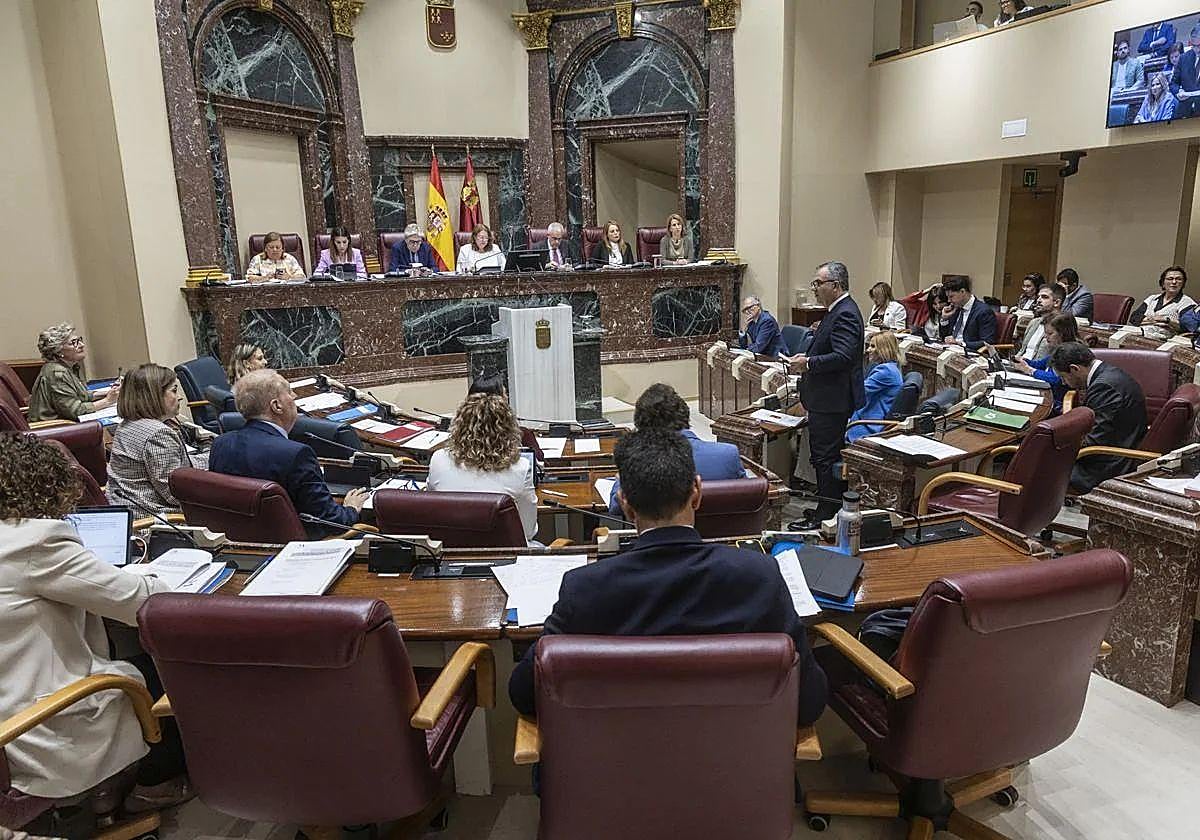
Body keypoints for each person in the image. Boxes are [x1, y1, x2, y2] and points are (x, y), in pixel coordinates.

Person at [508, 429, 828, 725]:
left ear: (624, 504)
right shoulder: (759, 576)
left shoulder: (584, 589)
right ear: (697, 493)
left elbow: (524, 694)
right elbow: (809, 701)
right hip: (739, 764)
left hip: (615, 765)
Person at [0, 435, 190, 810]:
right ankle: (153, 783)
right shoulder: (34, 541)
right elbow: (144, 603)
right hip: (36, 727)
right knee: (160, 668)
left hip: (9, 703)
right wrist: (145, 577)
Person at [208, 369, 369, 537]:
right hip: (295, 546)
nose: (294, 396)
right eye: (289, 392)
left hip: (239, 543)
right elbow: (331, 522)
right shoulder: (296, 454)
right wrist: (351, 508)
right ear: (277, 406)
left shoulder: (220, 444)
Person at [786, 261, 864, 527]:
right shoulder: (837, 310)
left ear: (836, 285)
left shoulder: (846, 313)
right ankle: (827, 508)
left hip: (832, 401)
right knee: (823, 456)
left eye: (818, 283)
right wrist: (807, 356)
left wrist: (807, 363)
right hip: (826, 398)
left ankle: (826, 516)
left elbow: (843, 356)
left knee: (825, 458)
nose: (815, 288)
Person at [606, 383, 745, 517]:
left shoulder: (639, 461)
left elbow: (616, 506)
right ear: (686, 416)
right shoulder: (728, 454)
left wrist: (621, 477)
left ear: (642, 426)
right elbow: (748, 497)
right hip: (727, 533)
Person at [427, 391, 539, 544]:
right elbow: (528, 531)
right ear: (508, 429)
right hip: (506, 555)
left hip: (451, 553)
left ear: (458, 426)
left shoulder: (438, 460)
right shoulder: (521, 468)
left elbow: (434, 514)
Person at [107, 364, 207, 515]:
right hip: (156, 518)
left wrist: (213, 457)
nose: (179, 397)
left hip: (127, 508)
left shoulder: (127, 424)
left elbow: (179, 466)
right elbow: (175, 494)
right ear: (153, 395)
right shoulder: (158, 434)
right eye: (174, 390)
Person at [1051, 342, 1147, 494]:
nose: (1063, 383)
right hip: (1116, 445)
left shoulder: (1105, 387)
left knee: (1039, 466)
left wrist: (1054, 446)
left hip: (1108, 463)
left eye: (1063, 377)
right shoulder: (1108, 373)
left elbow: (1094, 440)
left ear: (1074, 369)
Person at [27, 323, 119, 422]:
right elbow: (75, 411)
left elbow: (81, 395)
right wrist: (107, 401)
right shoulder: (57, 373)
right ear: (58, 351)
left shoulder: (68, 367)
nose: (82, 345)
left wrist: (111, 393)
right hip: (54, 427)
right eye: (73, 343)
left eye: (79, 340)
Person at [1011, 312, 1078, 414]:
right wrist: (1024, 361)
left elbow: (1057, 379)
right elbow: (1040, 365)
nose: (1046, 337)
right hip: (1046, 394)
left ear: (1063, 334)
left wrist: (1030, 370)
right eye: (1045, 333)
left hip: (1056, 404)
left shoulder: (1071, 352)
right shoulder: (1058, 349)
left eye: (1050, 334)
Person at [846, 331, 903, 443]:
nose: (868, 350)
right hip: (868, 418)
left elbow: (858, 391)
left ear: (884, 349)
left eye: (873, 346)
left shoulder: (885, 371)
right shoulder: (892, 368)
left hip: (867, 425)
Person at [1129, 265, 1197, 341]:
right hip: (1139, 334)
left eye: (1178, 279)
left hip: (1162, 340)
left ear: (1183, 283)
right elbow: (1134, 318)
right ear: (1163, 283)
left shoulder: (1188, 303)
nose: (1174, 282)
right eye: (1170, 279)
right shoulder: (1152, 298)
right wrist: (1155, 320)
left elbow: (1187, 327)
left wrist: (1167, 320)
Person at [939, 275, 997, 350]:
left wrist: (961, 344)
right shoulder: (955, 307)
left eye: (951, 296)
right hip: (950, 349)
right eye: (948, 297)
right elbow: (944, 336)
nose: (949, 301)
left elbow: (987, 342)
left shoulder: (984, 311)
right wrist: (944, 319)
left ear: (962, 292)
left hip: (969, 352)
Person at [1014, 283, 1064, 360]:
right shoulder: (1033, 322)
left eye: (1044, 297)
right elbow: (1022, 351)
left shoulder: (1061, 325)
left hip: (1038, 366)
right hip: (1020, 363)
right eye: (1038, 297)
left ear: (1056, 303)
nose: (1038, 300)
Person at [1173, 26, 1200, 118]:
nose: (1197, 49)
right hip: (1185, 111)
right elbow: (1173, 83)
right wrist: (1178, 91)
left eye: (1199, 45)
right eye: (1194, 46)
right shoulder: (1183, 58)